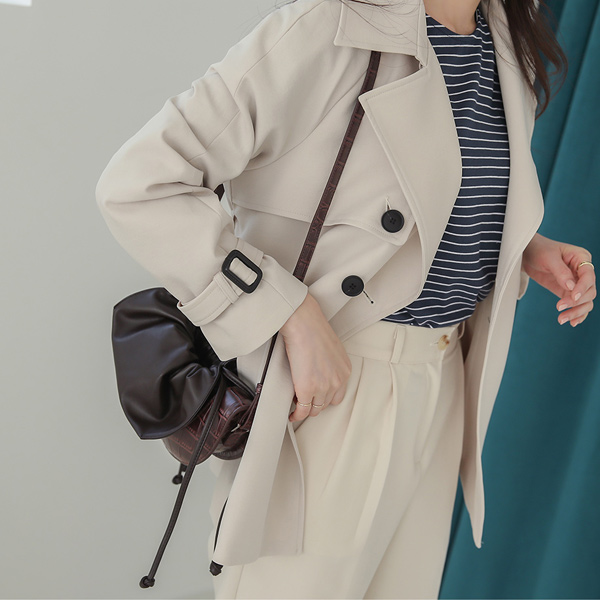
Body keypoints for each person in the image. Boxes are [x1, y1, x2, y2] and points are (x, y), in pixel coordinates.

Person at [95, 0, 596, 597]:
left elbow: (426, 192)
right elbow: (138, 184)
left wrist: (522, 245)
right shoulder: (327, 27)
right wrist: (288, 311)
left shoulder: (504, 37)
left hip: (443, 383)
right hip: (332, 383)